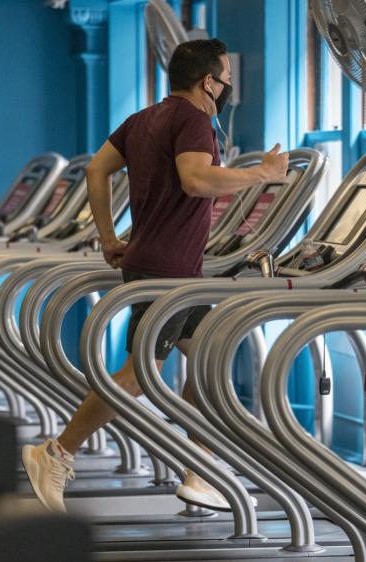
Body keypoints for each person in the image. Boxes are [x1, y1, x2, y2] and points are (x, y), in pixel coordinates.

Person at [22, 38, 289, 513]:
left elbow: (97, 171)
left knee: (209, 359)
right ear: (208, 81)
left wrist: (108, 237)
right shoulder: (193, 120)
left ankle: (198, 469)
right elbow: (197, 179)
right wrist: (264, 174)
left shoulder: (145, 118)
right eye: (225, 77)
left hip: (166, 265)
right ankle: (55, 453)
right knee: (138, 376)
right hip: (168, 271)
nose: (227, 84)